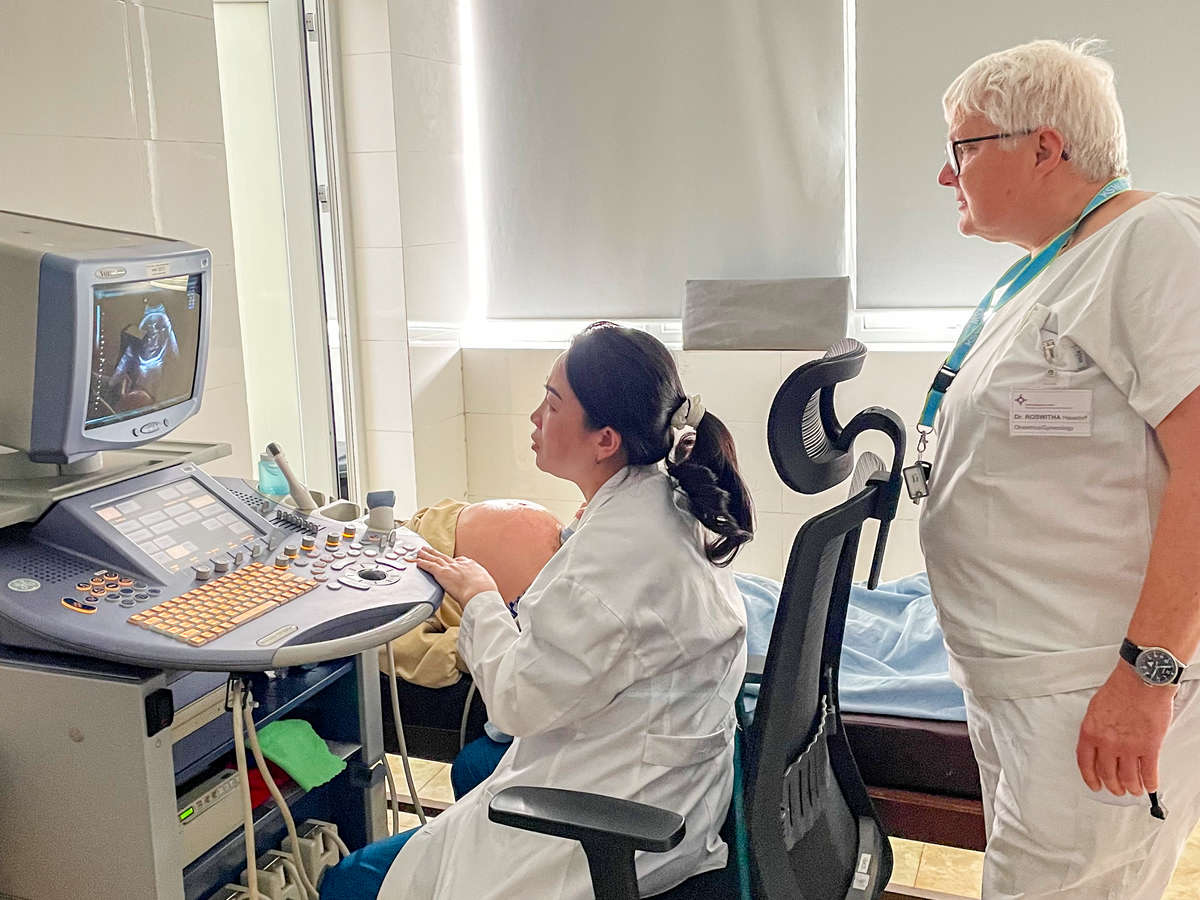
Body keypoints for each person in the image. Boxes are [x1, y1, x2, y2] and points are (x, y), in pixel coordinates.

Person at [320, 321, 753, 899]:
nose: (534, 417)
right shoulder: (665, 496)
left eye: (552, 404)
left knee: (351, 883)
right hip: (670, 786)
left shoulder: (609, 560)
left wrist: (479, 596)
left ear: (605, 440)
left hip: (624, 818)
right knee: (476, 773)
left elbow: (517, 702)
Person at [919, 39, 1200, 898]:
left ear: (1044, 147)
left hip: (1092, 684)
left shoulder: (1153, 240)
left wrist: (1146, 675)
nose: (945, 174)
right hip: (1025, 680)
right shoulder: (1059, 267)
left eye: (962, 148)